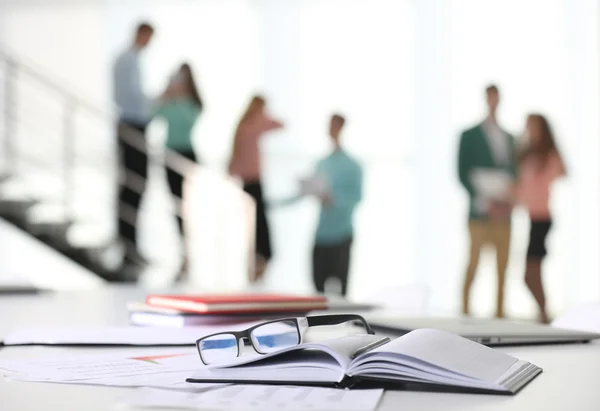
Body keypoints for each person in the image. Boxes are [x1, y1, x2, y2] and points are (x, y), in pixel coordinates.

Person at [458, 85, 517, 318]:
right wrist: (486, 200)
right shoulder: (469, 135)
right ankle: (464, 313)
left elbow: (515, 174)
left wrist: (505, 202)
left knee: (503, 269)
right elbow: (462, 173)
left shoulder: (510, 138)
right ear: (486, 99)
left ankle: (500, 314)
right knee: (473, 265)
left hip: (504, 214)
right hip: (479, 213)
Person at [153, 63, 203, 275]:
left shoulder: (192, 103)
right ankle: (182, 251)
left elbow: (188, 122)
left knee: (188, 206)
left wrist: (180, 97)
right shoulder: (169, 99)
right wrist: (166, 94)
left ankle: (192, 250)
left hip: (187, 154)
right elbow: (153, 115)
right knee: (174, 204)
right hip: (169, 154)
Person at [515, 114, 565, 323]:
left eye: (533, 126)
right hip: (533, 218)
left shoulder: (548, 156)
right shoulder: (527, 154)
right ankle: (544, 314)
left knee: (531, 272)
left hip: (542, 219)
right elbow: (523, 188)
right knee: (532, 272)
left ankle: (544, 315)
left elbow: (557, 175)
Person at [228, 95, 283, 282]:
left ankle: (260, 257)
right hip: (248, 182)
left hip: (252, 180)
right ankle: (257, 257)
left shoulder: (244, 126)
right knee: (255, 221)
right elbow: (279, 124)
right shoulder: (250, 126)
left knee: (257, 221)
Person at [113, 22, 154, 268]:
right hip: (132, 126)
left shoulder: (130, 59)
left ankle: (131, 245)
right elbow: (131, 97)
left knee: (135, 187)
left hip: (134, 124)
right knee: (133, 185)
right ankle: (128, 245)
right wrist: (158, 101)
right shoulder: (127, 60)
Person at [311, 114, 363, 296]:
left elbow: (357, 197)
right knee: (318, 290)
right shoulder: (322, 163)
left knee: (341, 291)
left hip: (341, 234)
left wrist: (335, 201)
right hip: (321, 234)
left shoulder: (353, 165)